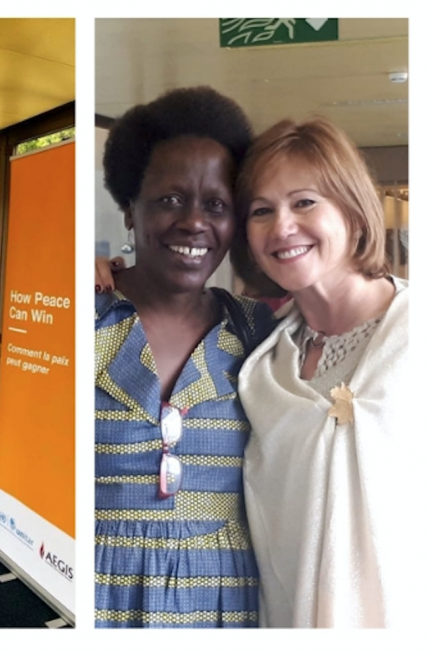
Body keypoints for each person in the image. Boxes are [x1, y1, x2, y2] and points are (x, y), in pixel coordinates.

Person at [95, 87, 277, 628]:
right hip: (99, 592)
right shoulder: (83, 315)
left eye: (216, 205)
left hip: (223, 599)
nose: (194, 222)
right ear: (130, 209)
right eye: (170, 200)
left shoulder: (259, 332)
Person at [232, 117, 408, 627]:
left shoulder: (412, 334)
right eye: (261, 210)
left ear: (353, 213)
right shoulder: (263, 362)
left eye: (304, 201)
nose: (282, 226)